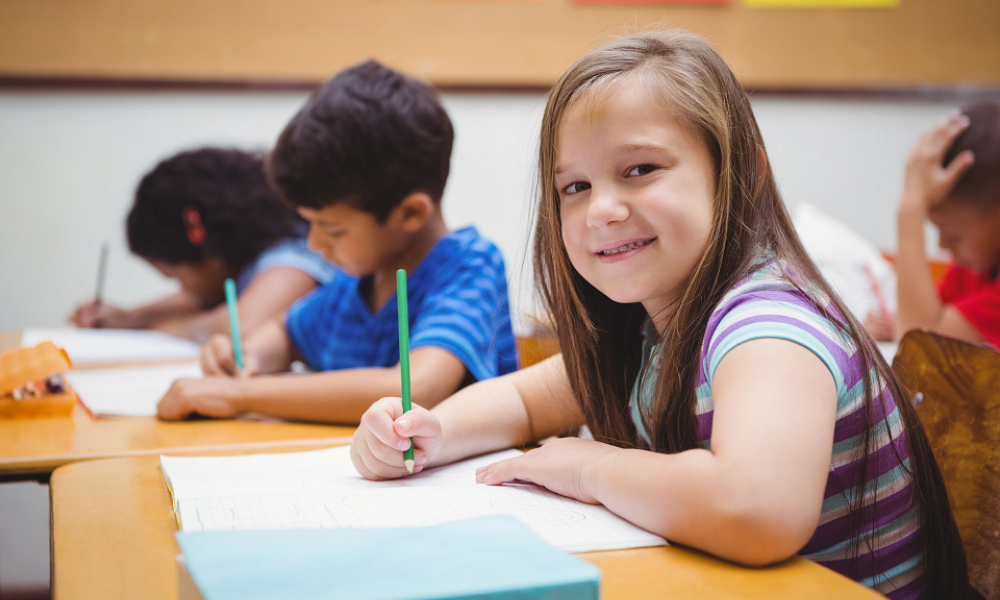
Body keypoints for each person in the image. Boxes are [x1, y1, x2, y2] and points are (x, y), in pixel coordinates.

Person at [350, 31, 968, 599]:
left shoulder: (768, 327)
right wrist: (428, 433)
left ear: (739, 173)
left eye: (640, 170)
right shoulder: (651, 328)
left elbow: (755, 508)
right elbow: (527, 402)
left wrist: (591, 466)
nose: (602, 210)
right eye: (575, 187)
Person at [155, 61, 518, 424]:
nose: (314, 244)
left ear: (410, 213)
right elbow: (286, 332)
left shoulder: (470, 268)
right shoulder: (354, 284)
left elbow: (415, 390)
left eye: (332, 229)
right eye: (309, 225)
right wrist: (247, 357)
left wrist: (240, 394)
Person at [71, 148, 334, 343]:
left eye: (176, 277)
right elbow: (202, 299)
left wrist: (158, 327)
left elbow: (237, 327)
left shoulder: (293, 257)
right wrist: (131, 318)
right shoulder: (250, 258)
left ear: (208, 253)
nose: (183, 289)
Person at [865, 102, 1000, 348]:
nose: (942, 244)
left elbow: (922, 346)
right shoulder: (976, 268)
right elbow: (928, 320)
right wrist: (896, 322)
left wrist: (911, 208)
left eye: (953, 235)